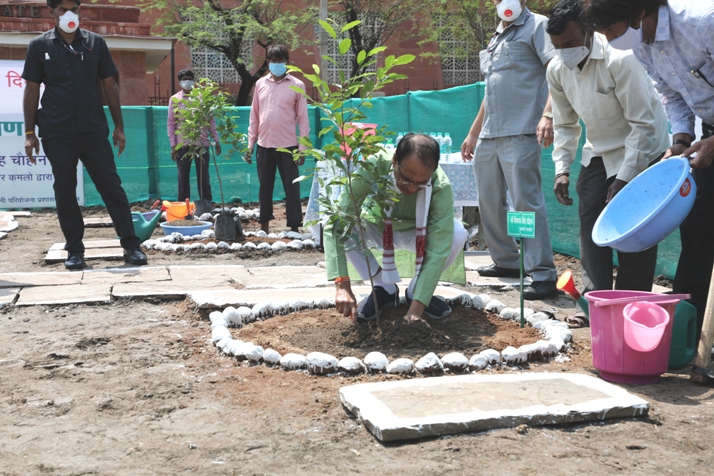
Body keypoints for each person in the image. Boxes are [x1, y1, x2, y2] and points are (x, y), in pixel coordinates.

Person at [581, 0, 714, 329]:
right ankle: (691, 331)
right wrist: (681, 139)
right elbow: (671, 93)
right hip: (707, 132)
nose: (610, 41)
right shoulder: (642, 46)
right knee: (698, 232)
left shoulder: (703, 22)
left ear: (638, 13)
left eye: (611, 30)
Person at [545, 0, 670, 327]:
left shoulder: (621, 59)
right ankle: (595, 303)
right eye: (557, 47)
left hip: (643, 148)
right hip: (600, 150)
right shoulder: (557, 69)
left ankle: (631, 306)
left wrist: (625, 178)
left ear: (588, 31)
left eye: (570, 44)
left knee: (635, 230)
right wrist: (562, 167)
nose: (564, 52)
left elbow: (644, 126)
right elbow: (564, 124)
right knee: (590, 221)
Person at [22, 0, 147, 270]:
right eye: (62, 8)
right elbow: (31, 90)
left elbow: (110, 86)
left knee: (111, 187)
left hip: (92, 130)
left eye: (74, 8)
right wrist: (30, 132)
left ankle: (131, 246)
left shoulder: (95, 43)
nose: (69, 13)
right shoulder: (40, 46)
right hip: (57, 131)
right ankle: (75, 251)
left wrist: (119, 126)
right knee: (65, 190)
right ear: (51, 11)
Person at [461, 0, 558, 300]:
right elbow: (491, 88)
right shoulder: (496, 36)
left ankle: (541, 273)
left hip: (522, 129)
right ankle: (506, 260)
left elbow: (556, 72)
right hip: (490, 133)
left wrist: (549, 114)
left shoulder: (538, 25)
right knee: (488, 201)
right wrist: (473, 132)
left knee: (525, 202)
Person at [326, 133, 469, 324]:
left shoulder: (439, 185)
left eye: (420, 184)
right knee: (343, 225)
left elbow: (439, 245)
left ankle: (416, 292)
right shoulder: (374, 166)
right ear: (395, 161)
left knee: (457, 233)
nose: (411, 188)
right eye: (406, 179)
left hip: (418, 234)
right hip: (378, 227)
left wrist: (416, 310)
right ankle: (384, 287)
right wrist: (342, 284)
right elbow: (340, 218)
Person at [245, 45, 310, 233]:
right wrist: (251, 144)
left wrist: (302, 148)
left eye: (280, 60)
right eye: (273, 60)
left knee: (292, 187)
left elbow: (303, 119)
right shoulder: (260, 84)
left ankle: (295, 227)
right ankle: (264, 225)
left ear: (286, 62)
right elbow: (254, 116)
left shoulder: (297, 85)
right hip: (264, 144)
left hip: (288, 146)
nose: (277, 64)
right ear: (268, 62)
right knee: (265, 187)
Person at [167, 68, 221, 206]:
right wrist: (173, 146)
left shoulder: (201, 98)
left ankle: (206, 205)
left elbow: (210, 121)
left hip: (202, 143)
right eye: (184, 79)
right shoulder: (174, 99)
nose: (187, 82)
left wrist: (216, 140)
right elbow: (171, 124)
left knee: (203, 177)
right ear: (179, 82)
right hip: (183, 144)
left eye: (189, 78)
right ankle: (183, 207)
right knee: (183, 177)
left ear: (194, 80)